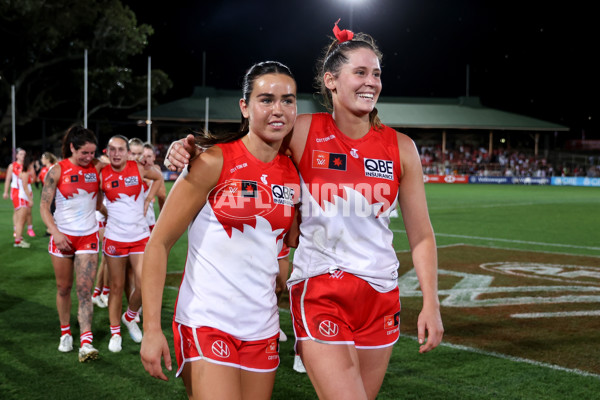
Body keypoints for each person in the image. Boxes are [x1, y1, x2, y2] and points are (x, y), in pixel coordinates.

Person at [166, 20, 444, 399]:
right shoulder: (303, 130)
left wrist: (431, 302)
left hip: (381, 294)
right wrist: (187, 150)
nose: (370, 82)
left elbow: (422, 234)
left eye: (376, 74)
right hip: (321, 287)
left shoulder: (401, 148)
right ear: (331, 80)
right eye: (359, 72)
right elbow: (246, 148)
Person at [140, 61, 300, 400]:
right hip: (206, 321)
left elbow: (284, 244)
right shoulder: (212, 161)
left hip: (263, 326)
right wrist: (151, 329)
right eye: (266, 99)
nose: (278, 109)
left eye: (288, 100)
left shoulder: (293, 172)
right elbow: (158, 244)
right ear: (244, 106)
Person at [39, 126, 103, 362]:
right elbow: (44, 207)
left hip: (88, 236)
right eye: (84, 153)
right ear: (72, 147)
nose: (89, 157)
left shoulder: (97, 166)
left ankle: (86, 341)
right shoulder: (57, 170)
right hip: (62, 238)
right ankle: (66, 332)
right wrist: (54, 232)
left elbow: (119, 167)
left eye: (92, 153)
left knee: (85, 291)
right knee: (64, 288)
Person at [100, 135, 163, 353]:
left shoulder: (138, 168)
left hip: (139, 237)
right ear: (107, 152)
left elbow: (159, 178)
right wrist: (107, 214)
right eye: (112, 149)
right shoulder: (102, 174)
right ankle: (115, 332)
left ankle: (130, 316)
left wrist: (147, 200)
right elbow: (97, 202)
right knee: (116, 287)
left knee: (144, 283)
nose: (116, 153)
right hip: (114, 239)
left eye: (120, 149)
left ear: (127, 152)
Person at [3, 148, 36, 239]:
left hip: (27, 189)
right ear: (17, 155)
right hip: (17, 191)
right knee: (18, 211)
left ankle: (28, 228)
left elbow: (33, 179)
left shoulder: (28, 166)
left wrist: (31, 176)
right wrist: (5, 192)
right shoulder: (12, 166)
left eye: (24, 154)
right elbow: (8, 179)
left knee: (28, 211)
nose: (23, 156)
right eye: (21, 154)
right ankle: (17, 231)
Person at [13, 155, 35, 248]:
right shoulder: (25, 173)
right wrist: (30, 200)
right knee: (21, 221)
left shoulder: (25, 172)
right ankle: (18, 241)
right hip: (22, 198)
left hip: (22, 197)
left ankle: (19, 239)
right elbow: (25, 187)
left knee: (21, 221)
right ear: (30, 164)